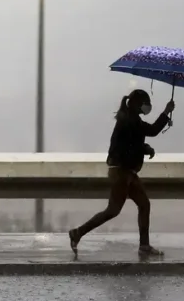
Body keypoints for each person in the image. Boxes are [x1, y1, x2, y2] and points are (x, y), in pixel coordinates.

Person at [68, 89, 174, 257]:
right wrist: (166, 112)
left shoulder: (131, 120)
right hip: (121, 173)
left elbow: (133, 143)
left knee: (144, 205)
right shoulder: (129, 121)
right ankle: (77, 233)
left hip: (127, 172)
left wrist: (144, 148)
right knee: (113, 210)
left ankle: (144, 246)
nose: (148, 106)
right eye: (146, 103)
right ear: (138, 104)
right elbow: (150, 131)